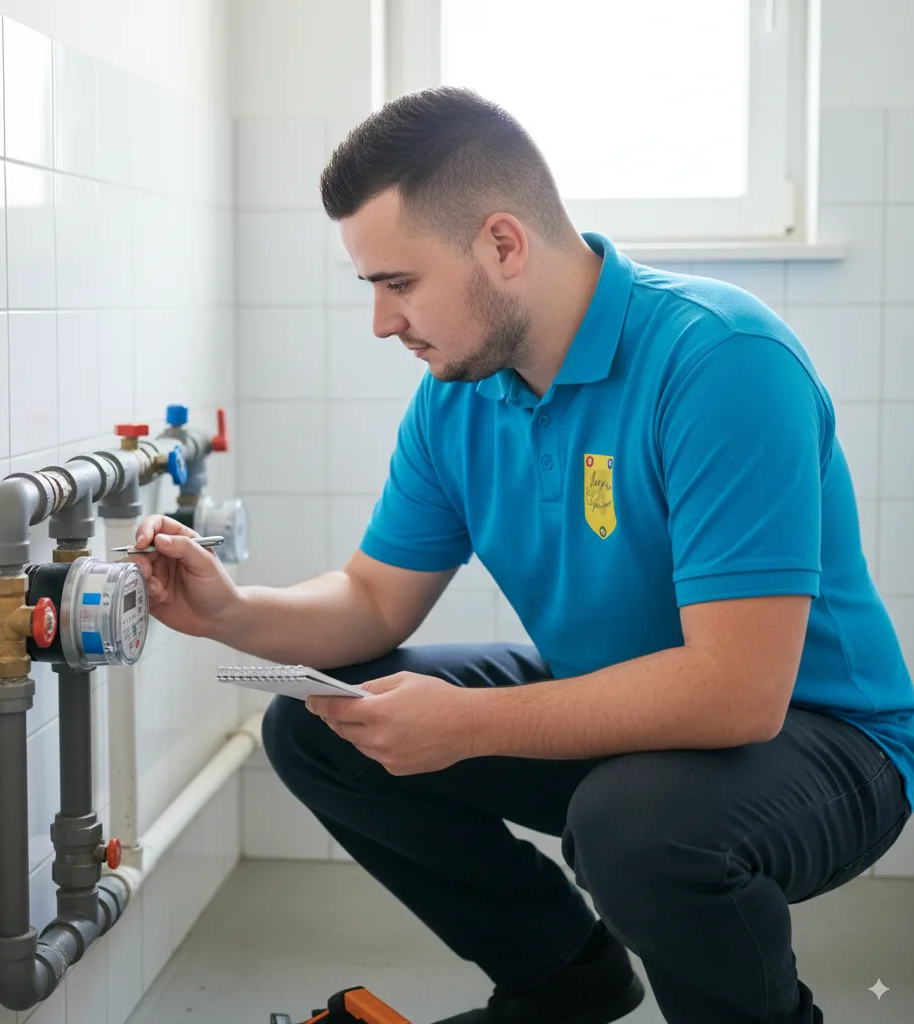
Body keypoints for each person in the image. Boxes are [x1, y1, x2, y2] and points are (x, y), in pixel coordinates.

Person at [127, 87, 914, 1024]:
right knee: (322, 722)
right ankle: (565, 976)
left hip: (822, 737)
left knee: (634, 826)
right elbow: (376, 599)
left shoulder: (722, 360)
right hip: (627, 708)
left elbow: (737, 694)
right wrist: (233, 612)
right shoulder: (458, 394)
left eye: (398, 283)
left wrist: (467, 726)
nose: (382, 323)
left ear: (503, 245)